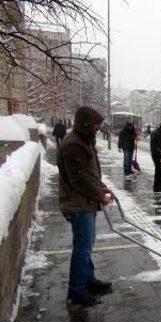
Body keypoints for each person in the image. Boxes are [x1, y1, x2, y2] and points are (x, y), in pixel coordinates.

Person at [57, 106, 115, 306]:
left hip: (85, 202)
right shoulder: (73, 145)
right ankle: (77, 290)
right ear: (86, 124)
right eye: (96, 125)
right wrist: (100, 194)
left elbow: (90, 174)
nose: (99, 128)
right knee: (82, 247)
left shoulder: (84, 141)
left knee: (86, 244)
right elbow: (79, 179)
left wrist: (104, 188)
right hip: (77, 204)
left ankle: (87, 279)